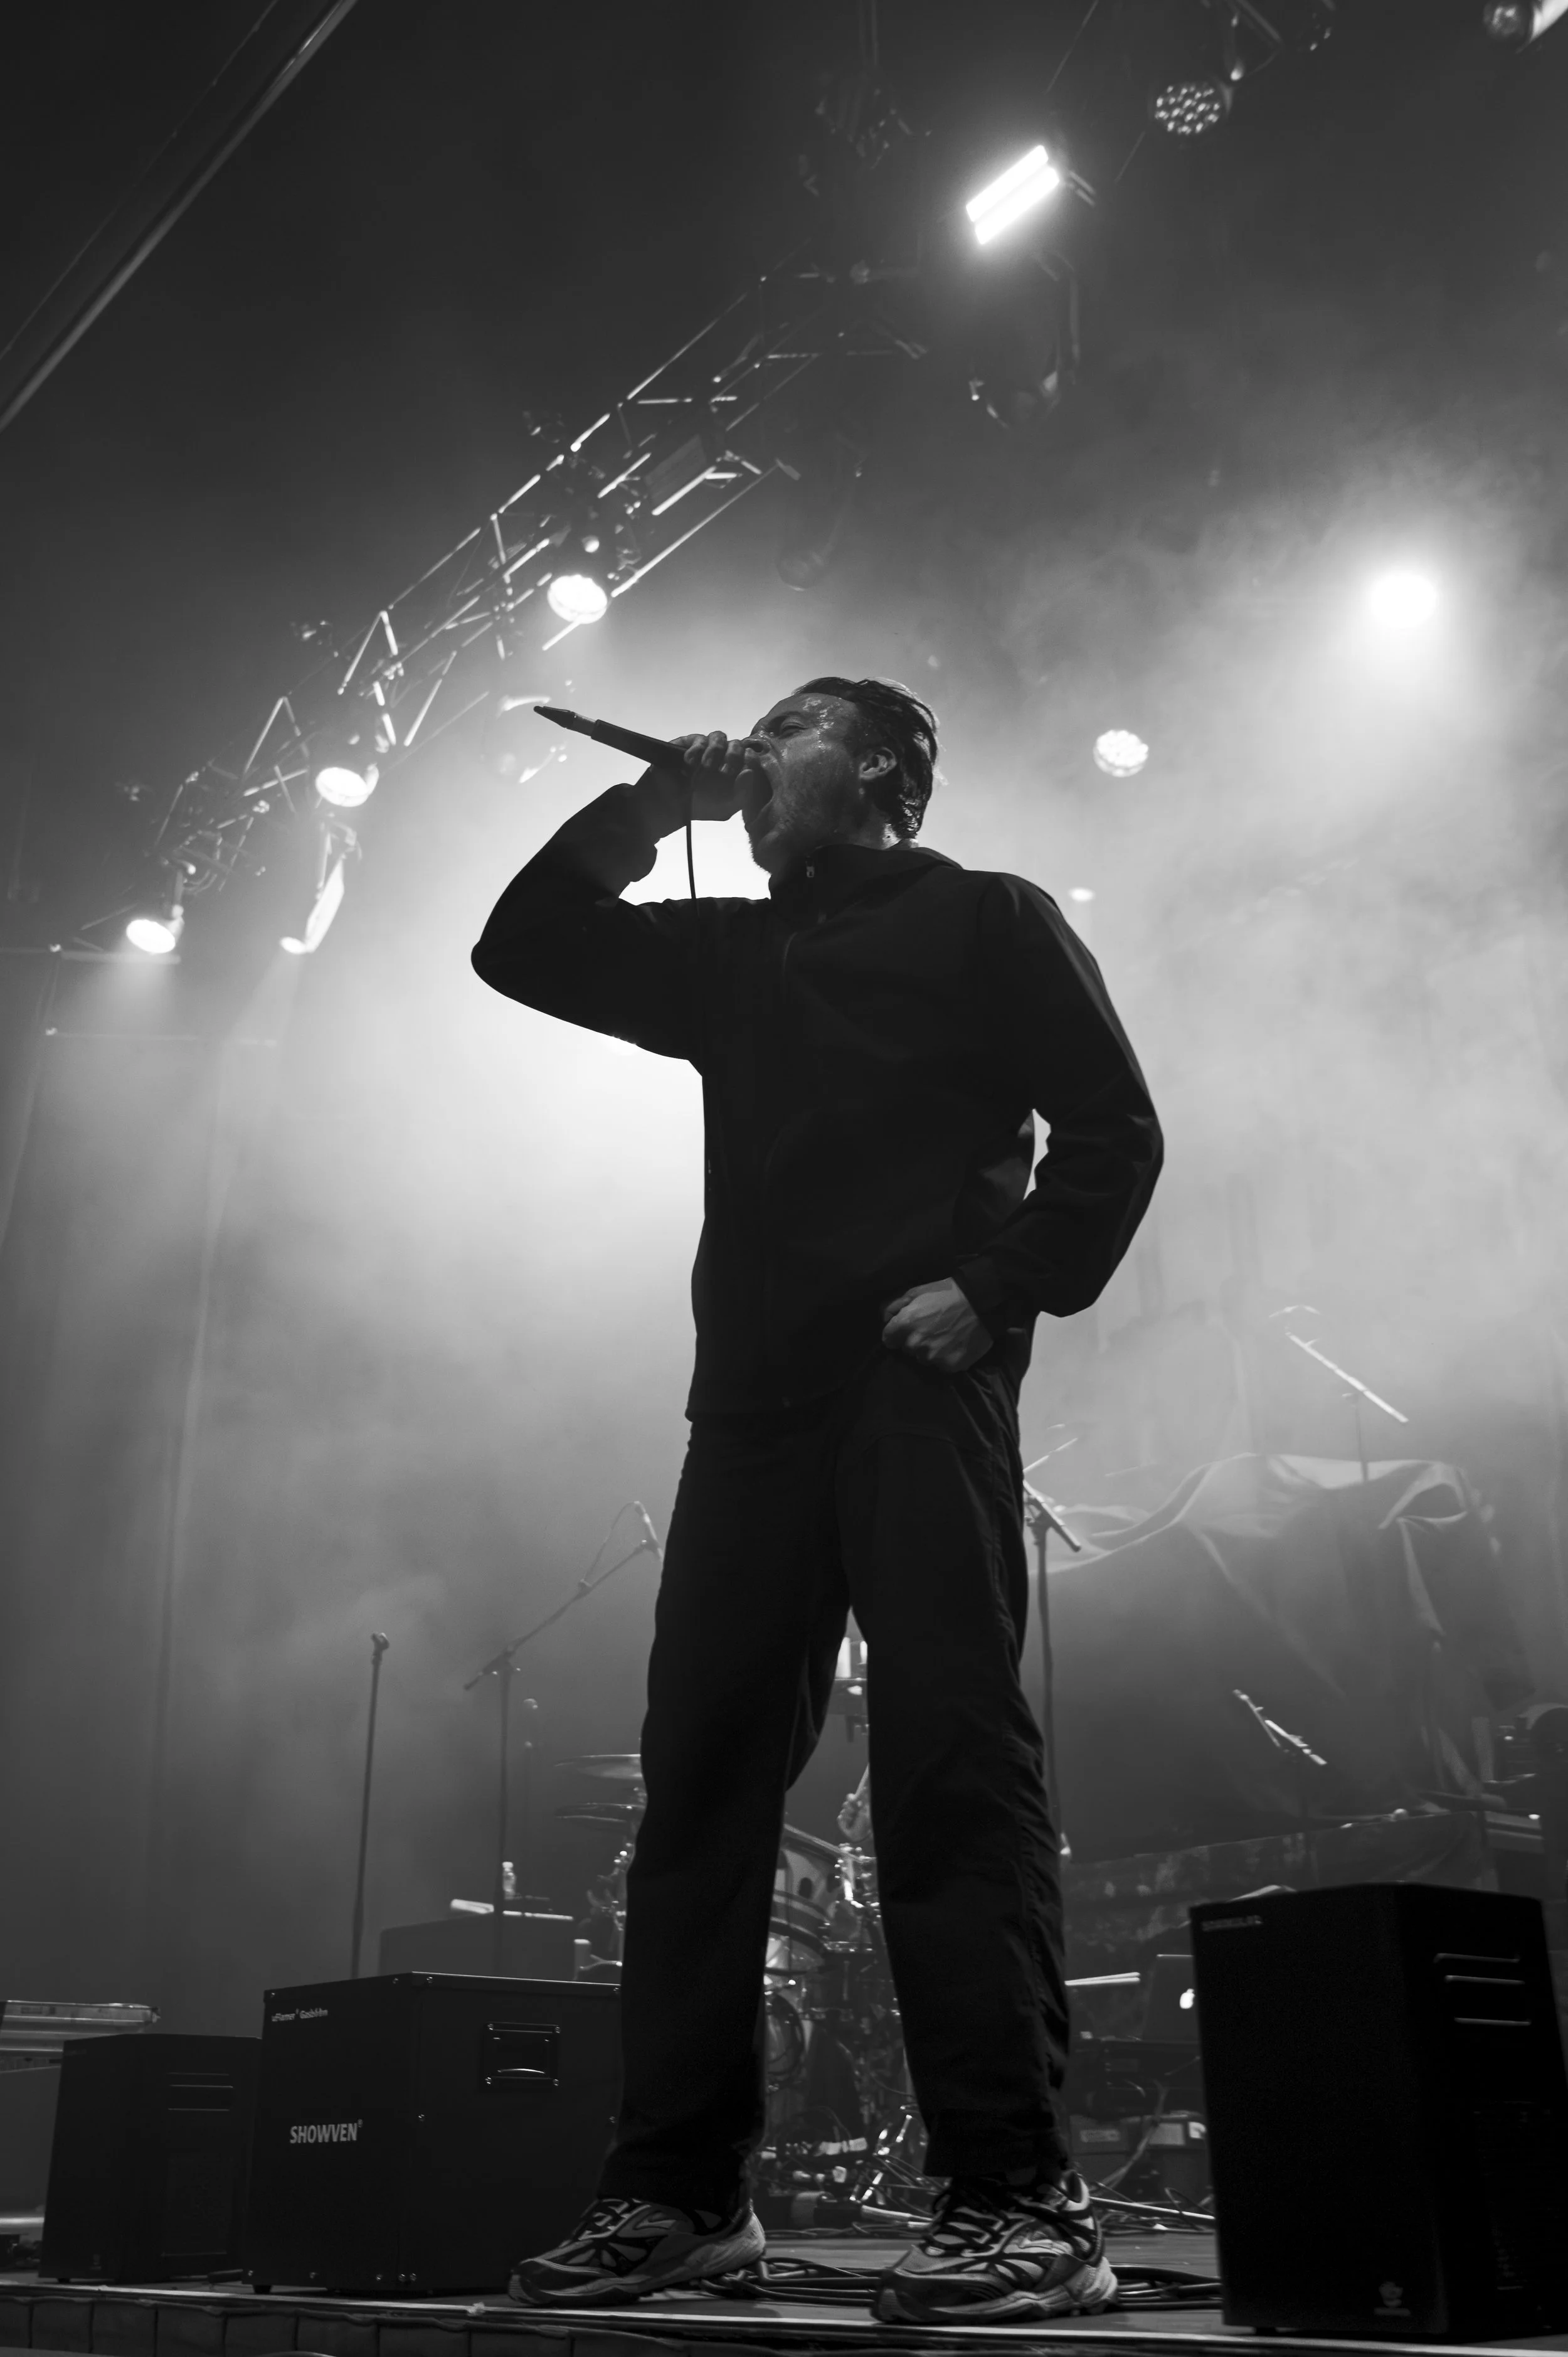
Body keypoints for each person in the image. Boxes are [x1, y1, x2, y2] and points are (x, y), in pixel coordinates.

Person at [472, 677, 1162, 2325]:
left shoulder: (985, 917)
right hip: (751, 1410)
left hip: (913, 1380)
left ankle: (1022, 2198)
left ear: (879, 769)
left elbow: (1115, 1129)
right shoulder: (735, 952)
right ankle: (679, 2191)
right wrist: (651, 811)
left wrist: (996, 1287)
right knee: (699, 1787)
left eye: (793, 721)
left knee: (947, 1764)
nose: (757, 741)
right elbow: (523, 946)